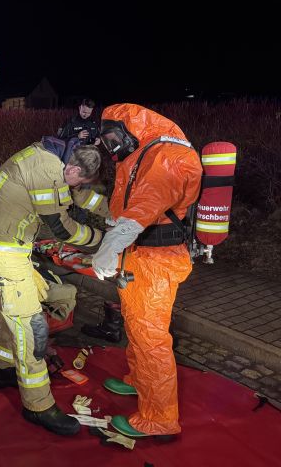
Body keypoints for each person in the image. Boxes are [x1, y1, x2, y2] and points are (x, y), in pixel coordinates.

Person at [0, 137, 110, 436]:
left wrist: (114, 214)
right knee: (32, 329)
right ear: (73, 170)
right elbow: (61, 228)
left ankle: (2, 370)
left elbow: (79, 194)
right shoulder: (46, 171)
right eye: (79, 180)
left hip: (6, 249)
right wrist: (102, 240)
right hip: (5, 255)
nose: (77, 187)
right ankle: (38, 405)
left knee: (14, 316)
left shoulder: (57, 158)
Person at [92, 103, 202, 438]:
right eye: (107, 140)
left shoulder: (167, 157)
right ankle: (140, 382)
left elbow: (139, 212)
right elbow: (125, 206)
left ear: (132, 129)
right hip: (140, 258)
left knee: (150, 337)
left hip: (156, 261)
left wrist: (107, 250)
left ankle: (159, 418)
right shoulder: (143, 155)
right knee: (137, 328)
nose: (112, 147)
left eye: (114, 138)